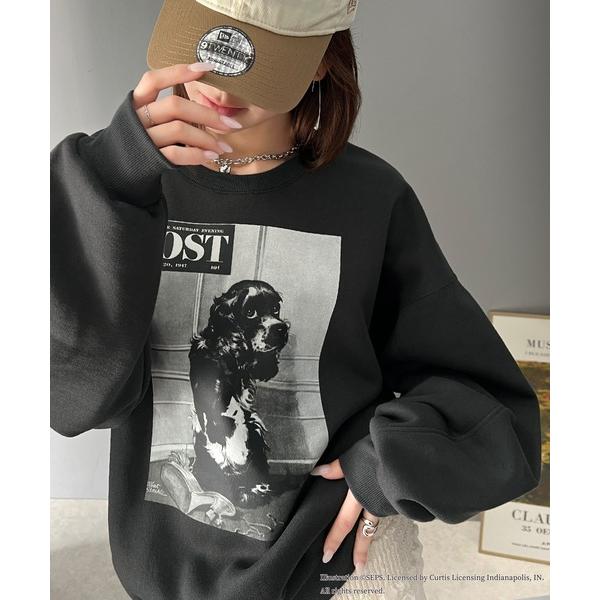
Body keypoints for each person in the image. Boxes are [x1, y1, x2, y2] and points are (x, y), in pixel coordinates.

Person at [50, 1, 542, 599]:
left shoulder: (371, 198)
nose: (219, 87)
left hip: (339, 569)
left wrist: (388, 465)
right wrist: (105, 187)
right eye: (206, 48)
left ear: (321, 60)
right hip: (163, 570)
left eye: (258, 64)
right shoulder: (110, 189)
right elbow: (70, 400)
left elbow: (494, 410)